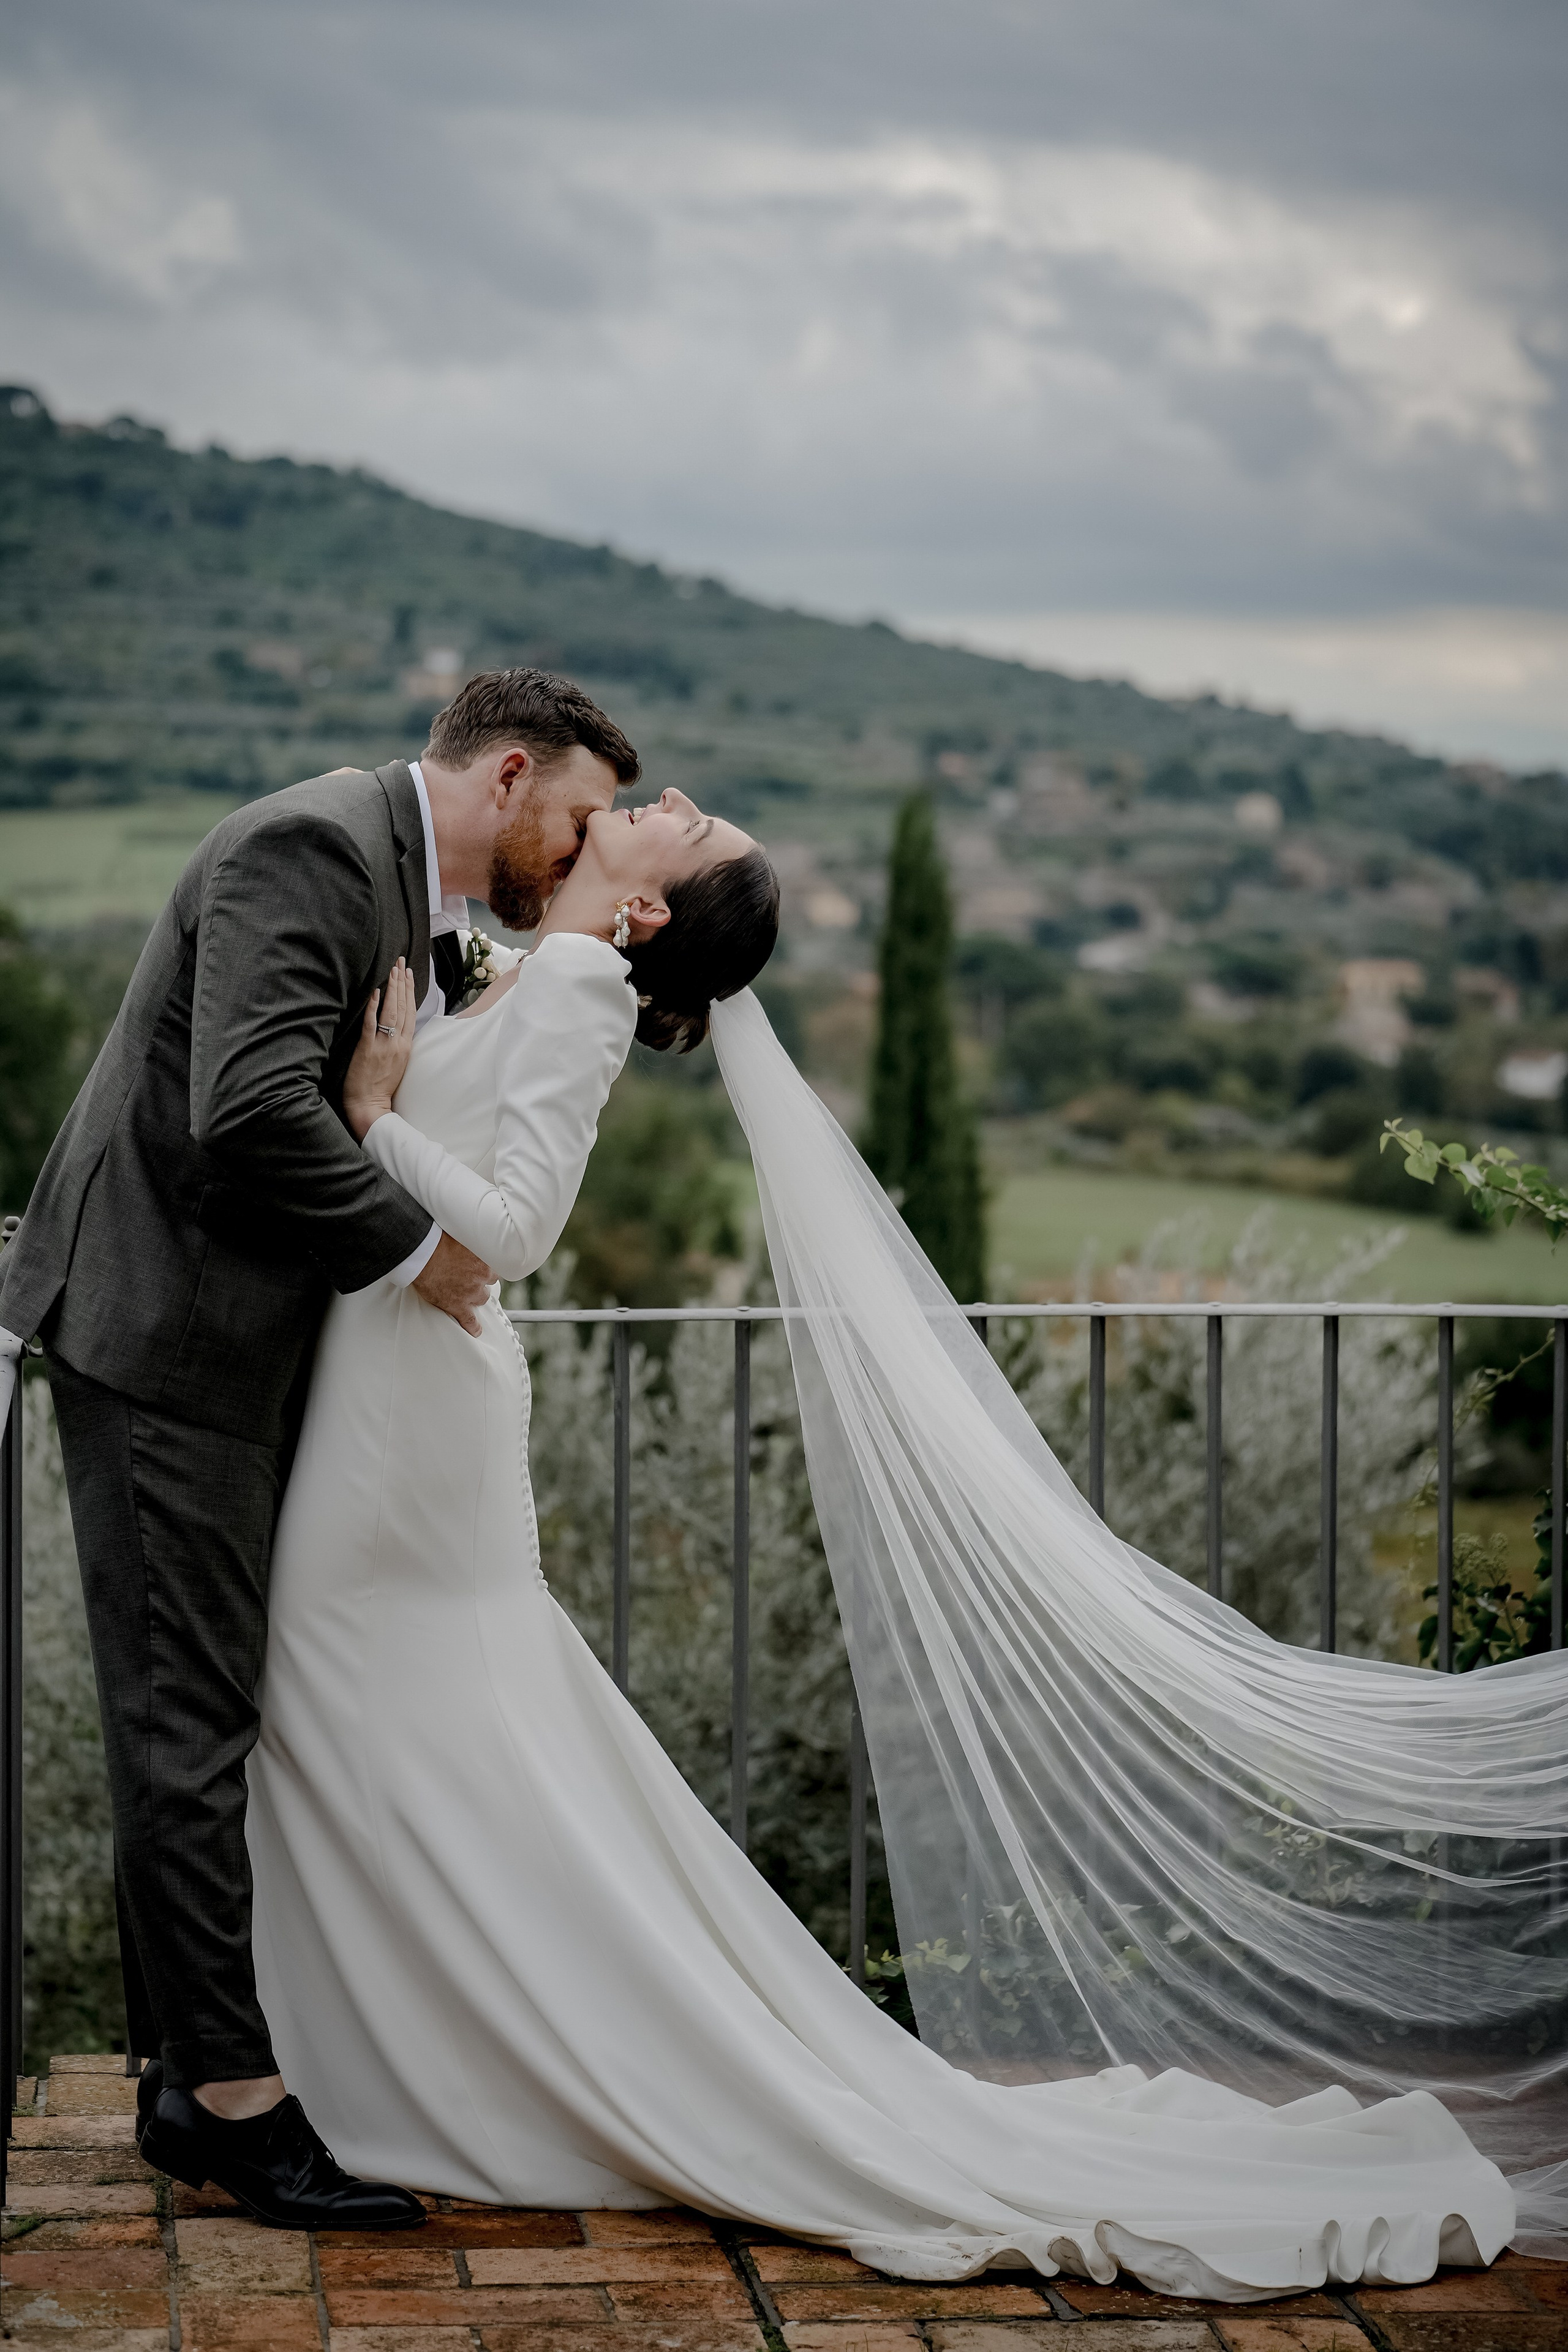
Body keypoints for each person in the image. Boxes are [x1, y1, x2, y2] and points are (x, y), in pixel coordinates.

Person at [241, 789, 1543, 2301]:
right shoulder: (528, 963)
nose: (668, 801)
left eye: (690, 825)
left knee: (367, 1699)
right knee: (390, 1722)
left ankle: (412, 2073)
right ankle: (403, 2062)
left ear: (650, 913)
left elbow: (518, 1230)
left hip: (414, 1412)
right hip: (395, 1384)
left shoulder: (589, 980)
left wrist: (371, 1118)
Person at [0, 668, 639, 2229]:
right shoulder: (309, 850)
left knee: (206, 1706)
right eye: (579, 815)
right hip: (169, 1341)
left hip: (232, 1344)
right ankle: (232, 2104)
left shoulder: (389, 876)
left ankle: (181, 2073)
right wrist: (425, 1251)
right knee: (185, 1726)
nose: (581, 846)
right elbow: (247, 1106)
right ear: (505, 776)